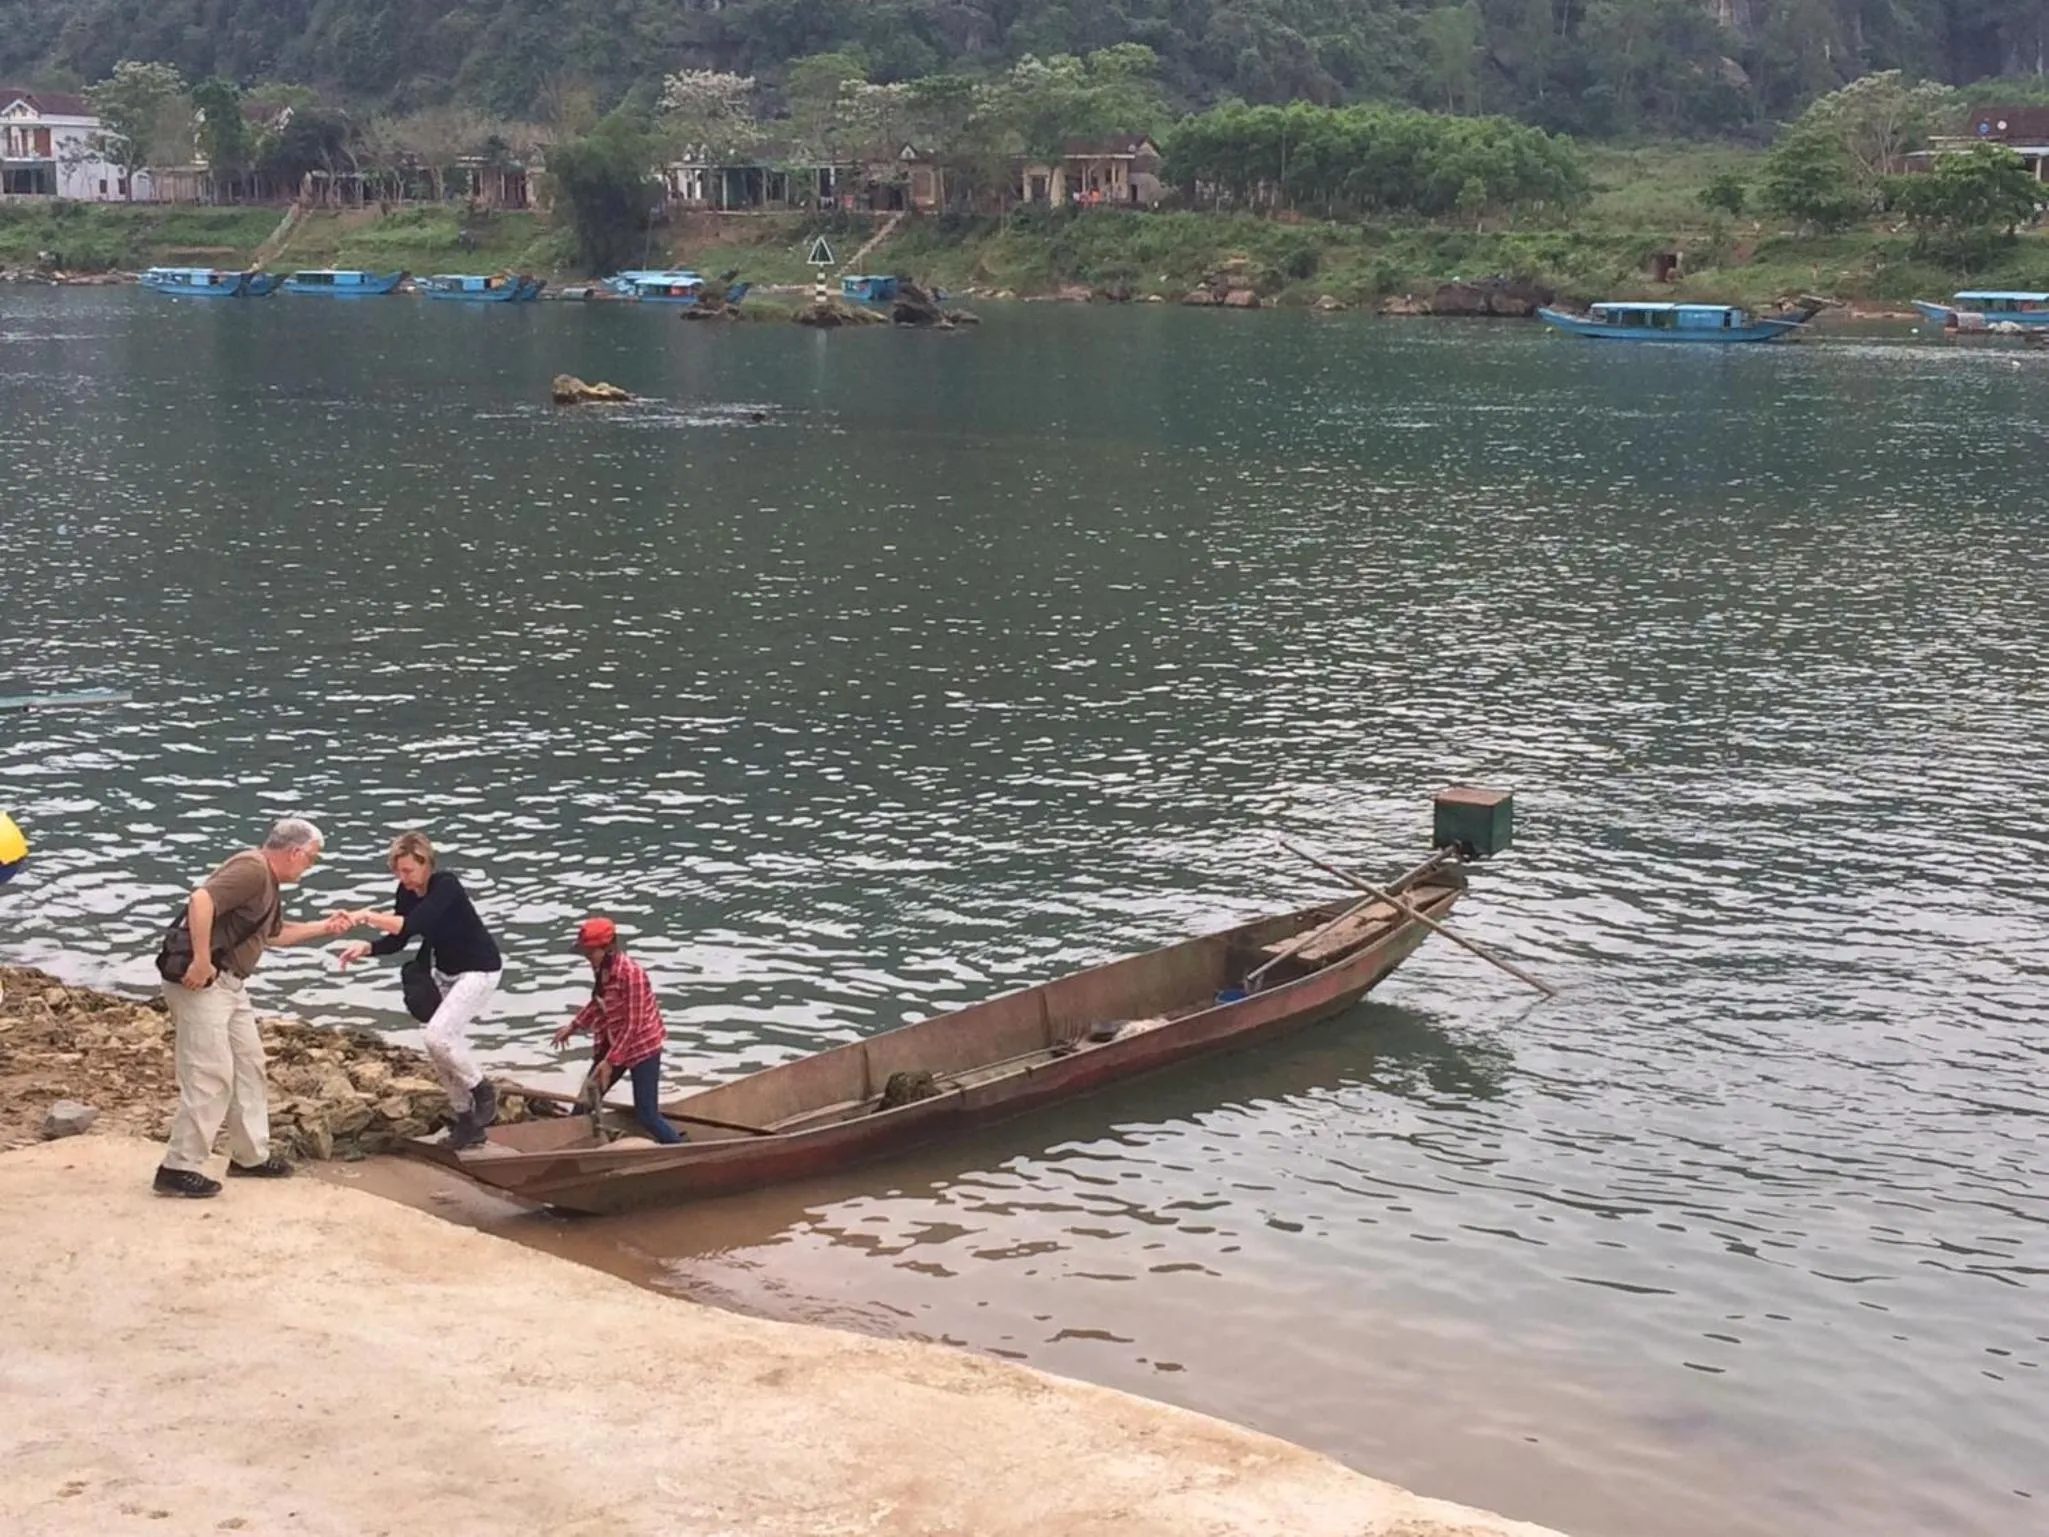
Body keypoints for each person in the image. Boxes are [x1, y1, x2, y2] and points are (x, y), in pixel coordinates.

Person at [154, 818, 351, 1199]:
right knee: (209, 1073)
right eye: (311, 859)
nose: (309, 867)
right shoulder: (251, 869)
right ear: (294, 851)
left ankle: (250, 1156)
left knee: (249, 1064)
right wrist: (199, 960)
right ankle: (178, 1168)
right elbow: (201, 899)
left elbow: (274, 935)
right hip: (205, 983)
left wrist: (324, 927)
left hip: (231, 985)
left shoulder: (268, 884)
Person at [337, 831, 503, 1148]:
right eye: (398, 872)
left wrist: (368, 916)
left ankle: (482, 1088)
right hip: (444, 971)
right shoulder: (406, 892)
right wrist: (367, 948)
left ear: (425, 863)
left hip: (479, 970)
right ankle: (466, 1121)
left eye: (408, 871)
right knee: (437, 1047)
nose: (404, 878)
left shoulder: (446, 886)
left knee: (437, 1036)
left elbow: (415, 924)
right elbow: (399, 938)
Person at [551, 917, 680, 1144]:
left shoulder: (632, 975)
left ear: (608, 949)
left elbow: (634, 1025)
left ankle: (679, 1148)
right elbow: (598, 1002)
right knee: (583, 1105)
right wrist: (574, 1026)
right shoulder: (602, 970)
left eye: (591, 953)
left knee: (647, 1116)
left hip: (641, 1048)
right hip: (614, 1045)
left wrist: (610, 1062)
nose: (588, 959)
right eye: (585, 954)